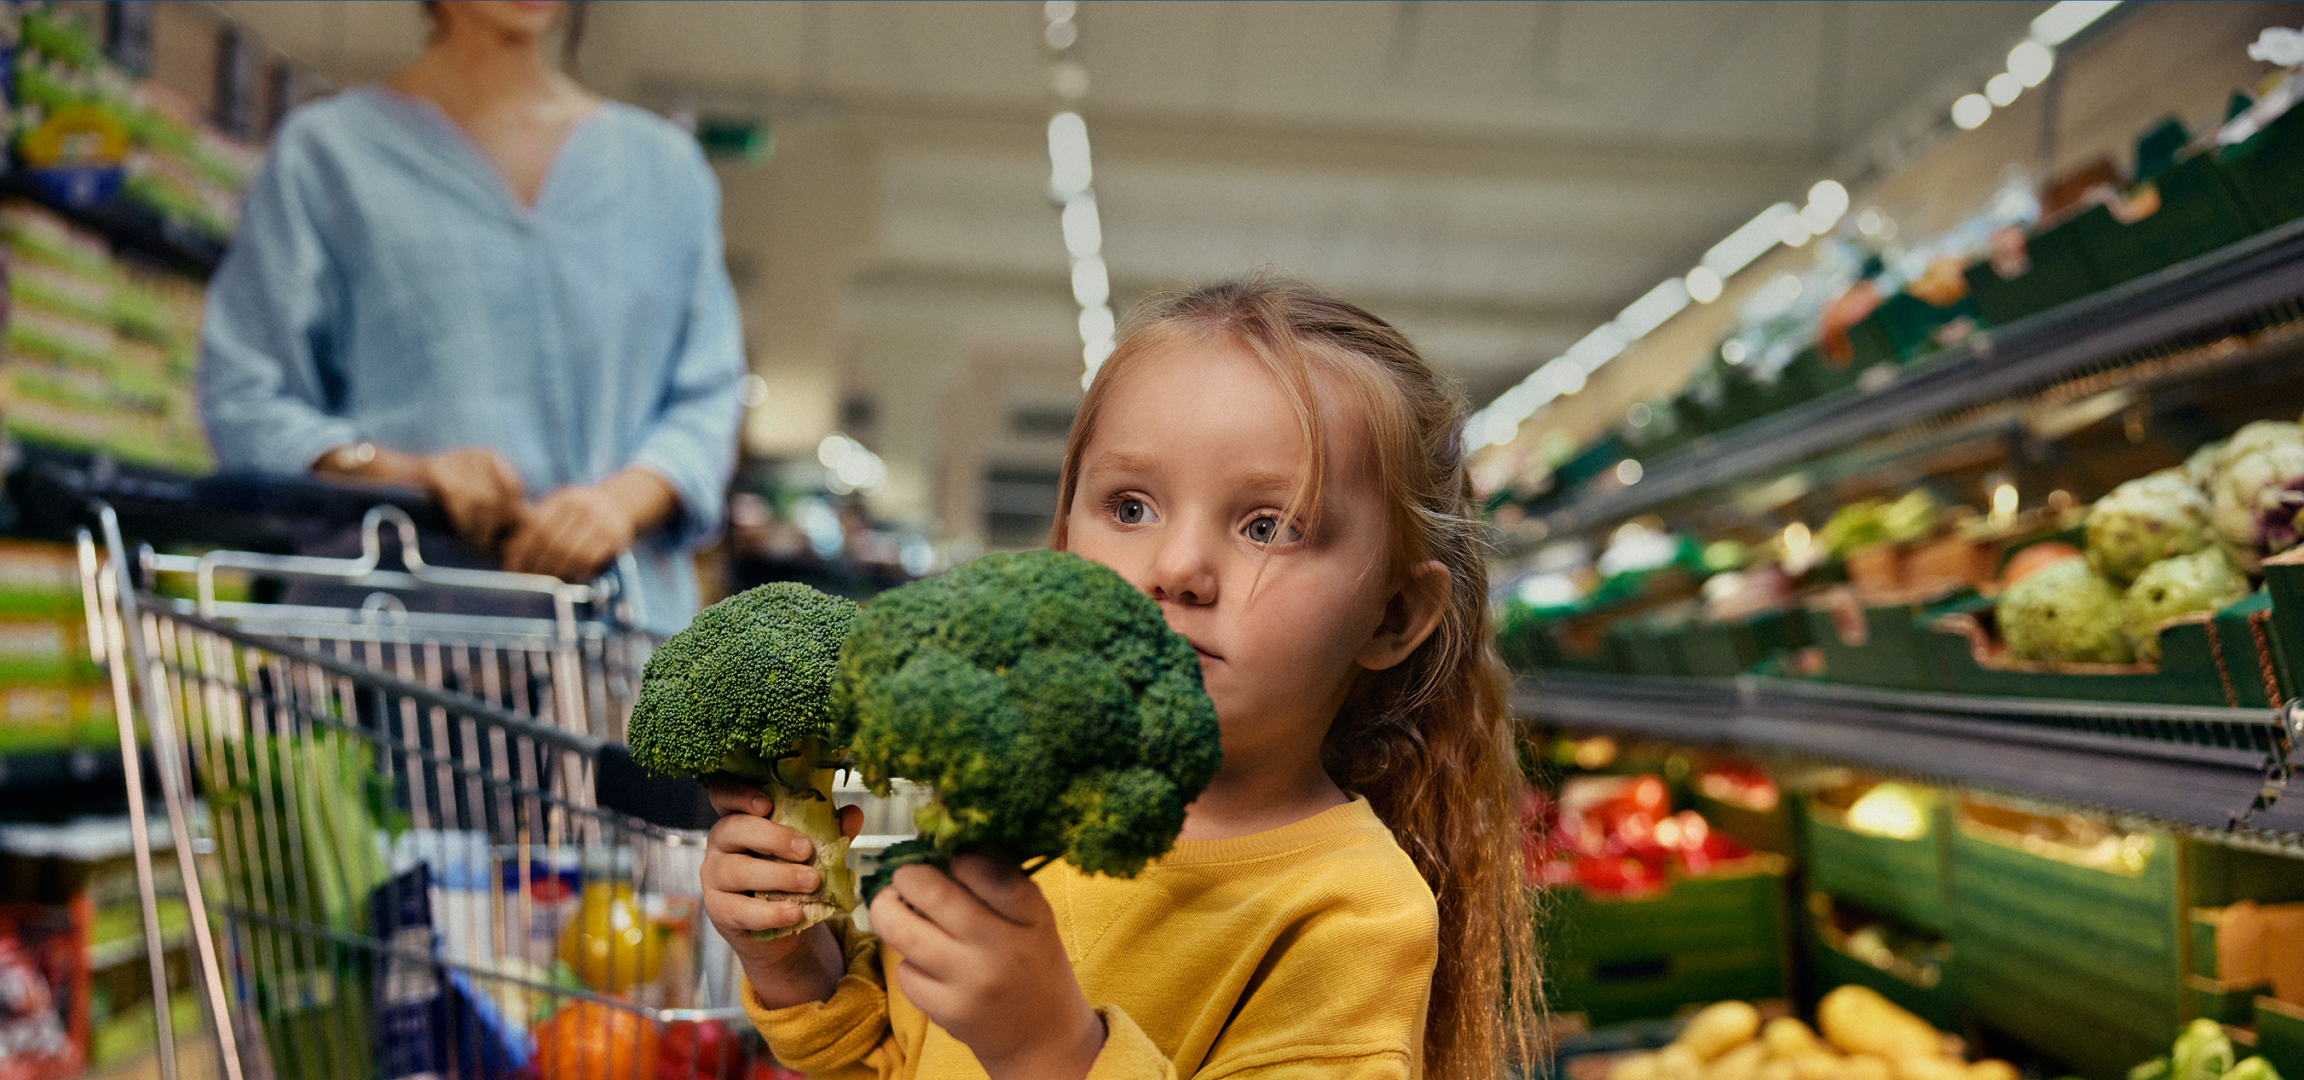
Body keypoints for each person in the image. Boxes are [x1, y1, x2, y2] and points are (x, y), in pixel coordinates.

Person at [700, 278, 1539, 1079]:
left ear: (1392, 616)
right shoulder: (1001, 802)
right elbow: (897, 1060)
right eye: (1131, 507)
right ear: (1067, 540)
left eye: (1268, 525)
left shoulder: (1351, 912)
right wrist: (794, 962)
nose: (1176, 568)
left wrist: (1047, 1052)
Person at [199, 0, 744, 634]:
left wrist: (617, 505)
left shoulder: (667, 172)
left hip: (620, 651)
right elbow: (243, 397)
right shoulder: (326, 158)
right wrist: (403, 471)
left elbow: (707, 397)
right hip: (400, 646)